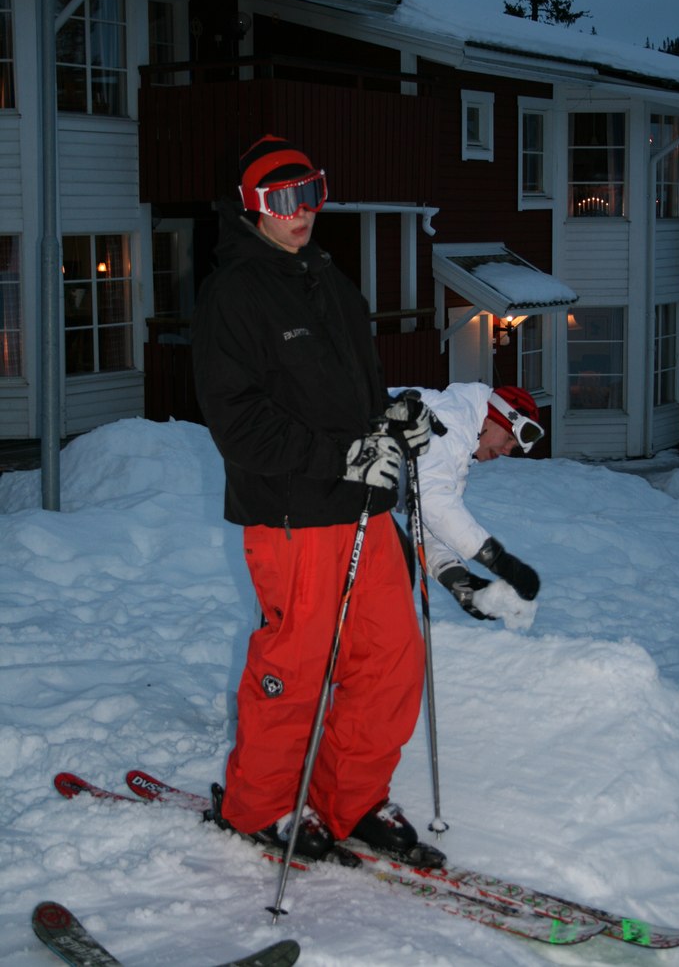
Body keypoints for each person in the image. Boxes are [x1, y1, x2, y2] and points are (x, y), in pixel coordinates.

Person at [191, 134, 437, 866]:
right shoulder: (233, 293)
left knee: (390, 659)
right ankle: (257, 808)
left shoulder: (326, 276)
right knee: (294, 670)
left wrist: (392, 417)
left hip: (364, 510)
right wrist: (340, 456)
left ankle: (352, 799)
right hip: (293, 516)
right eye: (281, 200)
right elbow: (237, 423)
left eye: (311, 193)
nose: (301, 213)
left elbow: (355, 390)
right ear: (251, 207)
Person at [414, 382, 543, 630]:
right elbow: (433, 502)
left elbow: (426, 524)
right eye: (508, 438)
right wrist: (498, 560)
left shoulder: (459, 446)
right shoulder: (450, 421)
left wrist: (461, 583)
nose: (506, 450)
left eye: (513, 447)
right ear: (493, 418)